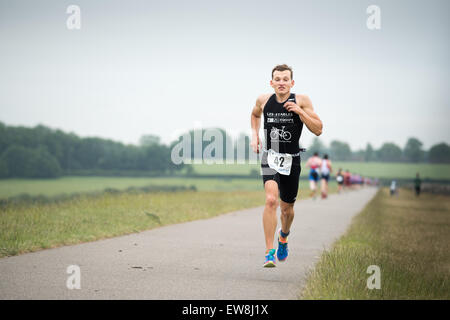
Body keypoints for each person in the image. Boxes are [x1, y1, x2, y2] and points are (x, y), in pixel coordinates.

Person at [250, 64, 323, 268]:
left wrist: (300, 112)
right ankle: (268, 252)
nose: (281, 82)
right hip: (270, 156)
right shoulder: (263, 101)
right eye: (277, 79)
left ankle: (283, 237)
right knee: (271, 200)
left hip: (291, 159)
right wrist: (255, 135)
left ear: (292, 83)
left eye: (285, 79)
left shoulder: (302, 100)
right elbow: (255, 115)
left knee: (287, 210)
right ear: (271, 83)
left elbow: (318, 129)